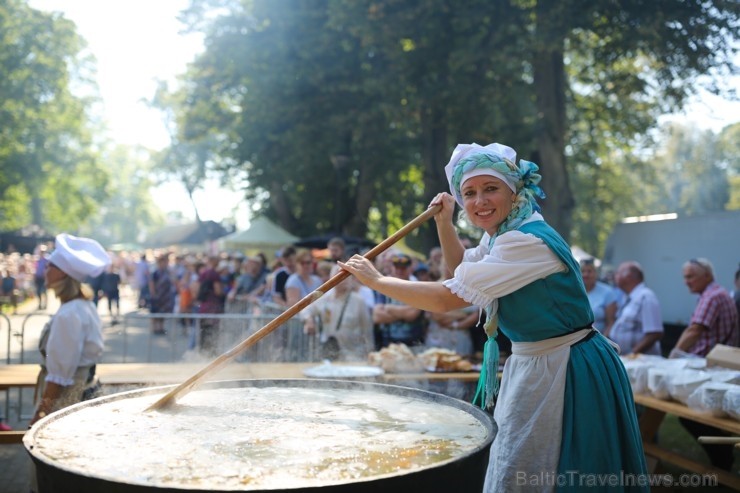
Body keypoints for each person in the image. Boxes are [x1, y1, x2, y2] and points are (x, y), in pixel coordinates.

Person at [340, 142, 647, 491]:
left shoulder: (527, 241)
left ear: (513, 190)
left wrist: (378, 280)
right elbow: (460, 272)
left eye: (490, 189)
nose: (479, 201)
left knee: (546, 465)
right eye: (469, 193)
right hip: (537, 362)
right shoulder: (504, 235)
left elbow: (447, 297)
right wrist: (445, 221)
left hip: (566, 366)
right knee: (517, 461)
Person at [30, 233, 110, 426]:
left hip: (67, 398)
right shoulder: (83, 306)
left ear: (63, 273)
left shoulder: (69, 314)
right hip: (81, 390)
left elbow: (59, 378)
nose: (45, 271)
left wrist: (40, 415)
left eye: (50, 266)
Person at [672, 258, 739, 471]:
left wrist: (675, 353)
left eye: (690, 276)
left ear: (707, 276)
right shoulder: (715, 293)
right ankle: (722, 460)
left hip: (714, 372)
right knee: (691, 414)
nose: (686, 281)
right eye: (685, 276)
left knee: (692, 414)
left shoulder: (712, 296)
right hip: (717, 370)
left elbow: (695, 329)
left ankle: (722, 460)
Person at [301, 264, 373, 361]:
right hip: (328, 355)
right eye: (340, 276)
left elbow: (367, 331)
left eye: (347, 276)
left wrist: (370, 353)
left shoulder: (359, 301)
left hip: (353, 356)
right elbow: (304, 309)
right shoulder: (325, 298)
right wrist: (308, 320)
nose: (345, 280)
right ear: (332, 279)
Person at [607, 261, 663, 356]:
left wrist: (632, 354)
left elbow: (654, 333)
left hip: (641, 363)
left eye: (618, 273)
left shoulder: (646, 297)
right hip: (628, 360)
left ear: (628, 276)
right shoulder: (628, 297)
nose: (614, 277)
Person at [372, 253, 426, 348]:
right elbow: (377, 317)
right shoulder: (385, 286)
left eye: (403, 268)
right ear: (392, 267)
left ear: (410, 268)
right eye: (397, 267)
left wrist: (388, 309)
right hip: (388, 343)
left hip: (413, 342)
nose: (399, 271)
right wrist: (403, 313)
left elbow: (412, 314)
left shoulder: (418, 287)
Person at [580, 257, 618, 334]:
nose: (586, 274)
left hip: (598, 340)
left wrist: (604, 342)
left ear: (596, 273)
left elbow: (611, 323)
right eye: (583, 271)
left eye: (589, 271)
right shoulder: (574, 291)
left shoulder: (607, 292)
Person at [149, 254, 175, 335]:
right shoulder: (155, 273)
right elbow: (151, 284)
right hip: (157, 296)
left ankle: (161, 327)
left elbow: (173, 281)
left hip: (165, 296)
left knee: (162, 312)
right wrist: (153, 294)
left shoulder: (167, 272)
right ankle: (154, 328)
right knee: (155, 312)